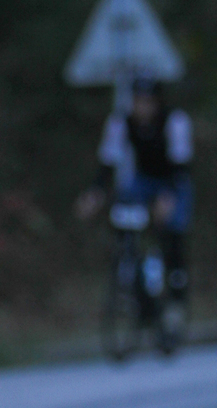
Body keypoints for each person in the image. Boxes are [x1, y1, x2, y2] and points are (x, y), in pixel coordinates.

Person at [75, 75, 193, 336]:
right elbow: (108, 162)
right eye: (138, 101)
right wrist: (95, 193)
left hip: (171, 183)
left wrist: (168, 197)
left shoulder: (175, 121)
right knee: (124, 215)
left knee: (173, 233)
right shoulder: (121, 122)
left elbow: (181, 166)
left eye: (147, 102)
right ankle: (131, 273)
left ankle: (176, 297)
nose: (142, 107)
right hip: (142, 181)